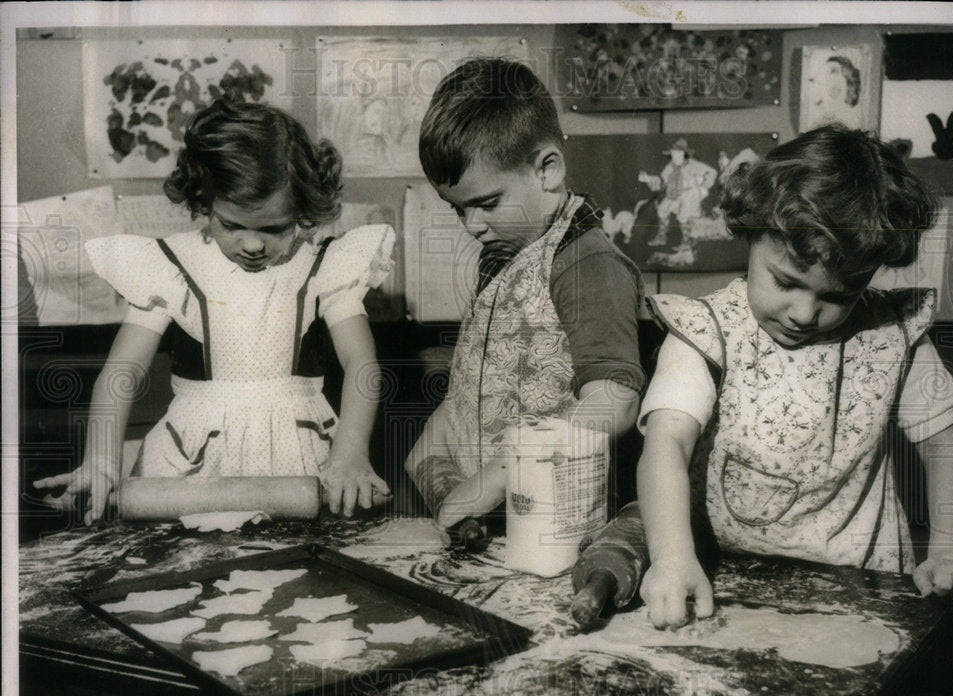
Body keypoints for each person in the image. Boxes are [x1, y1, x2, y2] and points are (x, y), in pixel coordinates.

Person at [635, 124, 953, 628]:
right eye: (786, 282)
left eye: (838, 296)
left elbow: (945, 447)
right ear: (752, 232)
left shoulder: (893, 334)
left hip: (868, 592)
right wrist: (670, 558)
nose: (803, 312)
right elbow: (667, 443)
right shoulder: (704, 333)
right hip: (724, 586)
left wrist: (949, 550)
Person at [34, 99, 395, 523]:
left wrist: (351, 452)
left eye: (275, 228)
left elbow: (361, 363)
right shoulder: (173, 264)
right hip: (192, 461)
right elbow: (122, 372)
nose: (254, 245)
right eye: (232, 225)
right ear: (204, 202)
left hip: (299, 460)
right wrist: (100, 460)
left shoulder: (323, 265)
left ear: (302, 207)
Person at [404, 58, 645, 533]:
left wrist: (493, 481)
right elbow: (484, 378)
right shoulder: (504, 252)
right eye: (458, 211)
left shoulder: (587, 263)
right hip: (486, 518)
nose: (472, 227)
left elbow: (615, 400)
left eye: (487, 204)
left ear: (547, 169)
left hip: (555, 524)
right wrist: (438, 450)